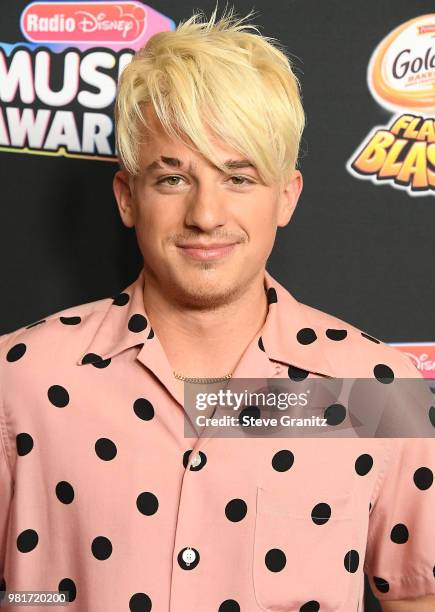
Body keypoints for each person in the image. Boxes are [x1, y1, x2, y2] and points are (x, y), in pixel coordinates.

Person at [0, 5, 434, 612]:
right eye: (173, 179)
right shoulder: (17, 381)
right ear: (128, 197)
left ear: (286, 197)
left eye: (239, 177)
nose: (206, 215)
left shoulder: (375, 390)